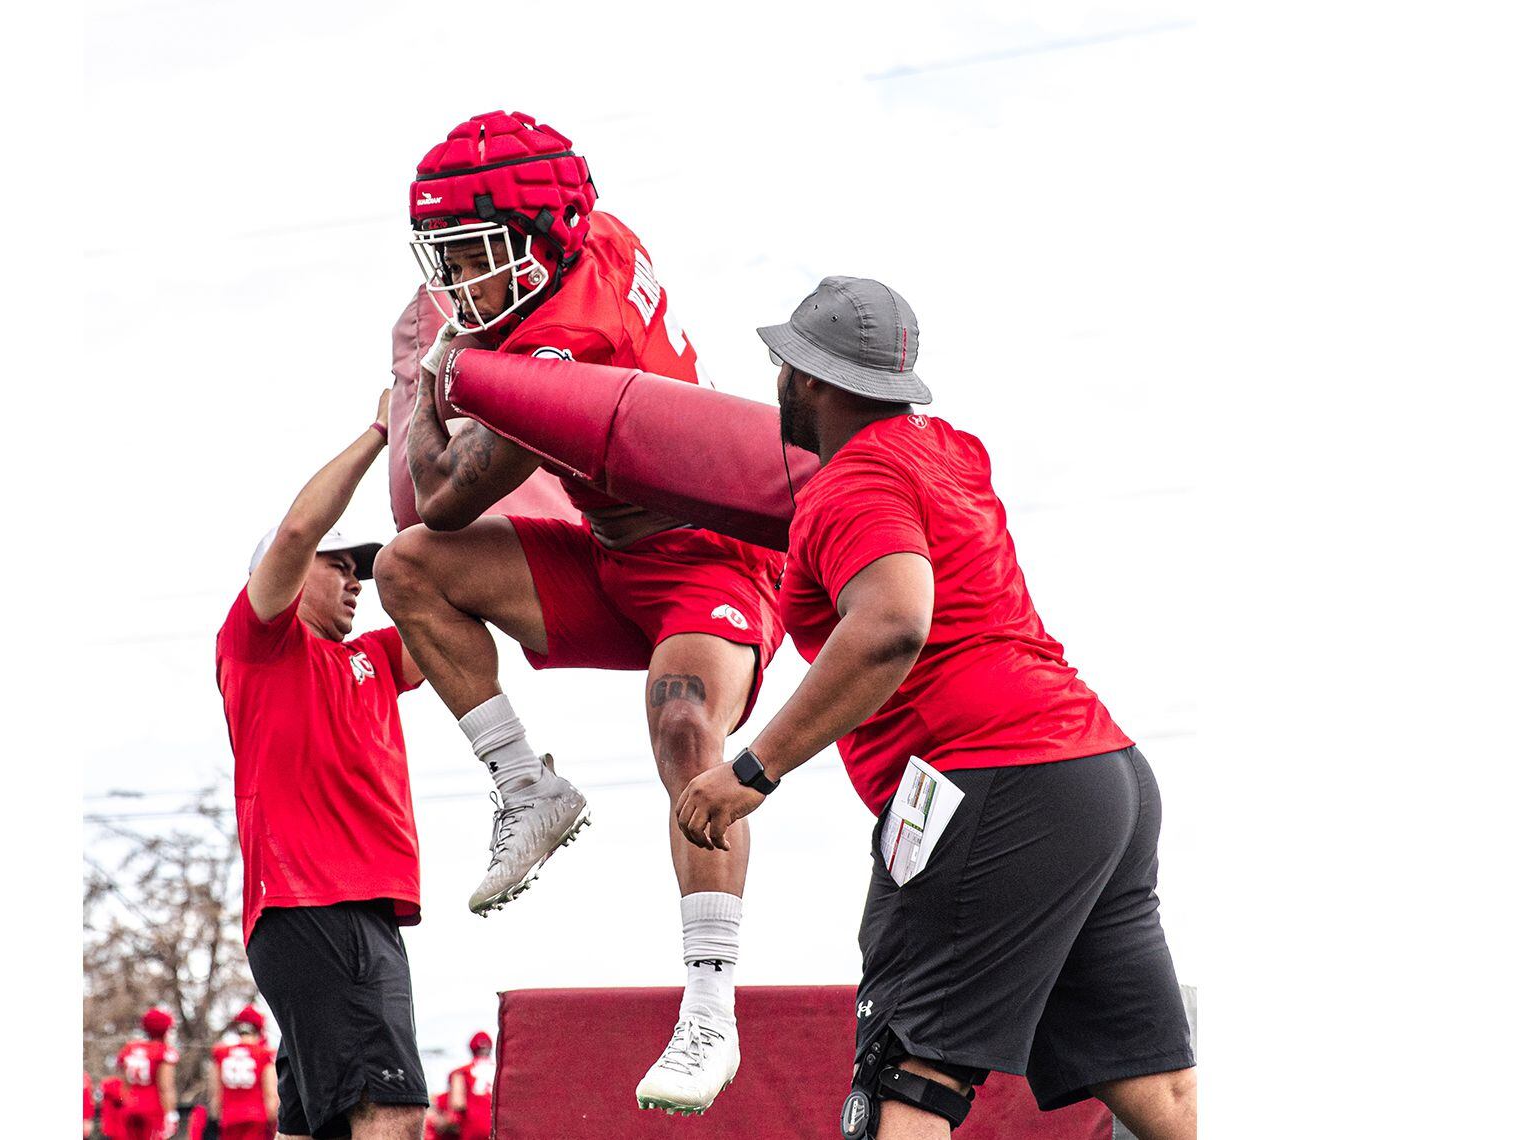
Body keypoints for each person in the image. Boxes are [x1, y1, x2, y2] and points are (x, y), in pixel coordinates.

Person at [675, 278, 1198, 1140]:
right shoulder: (950, 451)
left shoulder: (849, 486)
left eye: (782, 365)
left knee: (905, 1079)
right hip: (1102, 776)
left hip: (992, 784)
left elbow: (892, 622)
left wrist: (752, 769)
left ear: (810, 379)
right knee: (1156, 1087)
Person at [376, 109, 783, 1115]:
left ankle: (709, 1006)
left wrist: (422, 384)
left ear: (542, 240)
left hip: (706, 562)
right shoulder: (593, 236)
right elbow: (429, 533)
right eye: (449, 257)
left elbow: (443, 490)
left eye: (476, 256)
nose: (458, 286)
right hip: (611, 555)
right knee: (409, 570)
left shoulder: (559, 343)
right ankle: (529, 790)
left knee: (687, 727)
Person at [216, 387, 431, 1140]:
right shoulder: (260, 643)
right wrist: (384, 430)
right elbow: (301, 523)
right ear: (290, 570)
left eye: (356, 570)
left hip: (348, 913)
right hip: (319, 908)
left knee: (314, 1128)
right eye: (337, 565)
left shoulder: (370, 658)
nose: (354, 582)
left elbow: (453, 604)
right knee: (392, 1115)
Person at [209, 1004, 278, 1140]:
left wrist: (215, 1116)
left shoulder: (221, 1052)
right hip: (256, 1117)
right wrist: (273, 1121)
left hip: (229, 1117)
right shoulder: (264, 1054)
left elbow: (215, 1091)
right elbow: (270, 1093)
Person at [115, 1007, 180, 1140]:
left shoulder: (129, 1048)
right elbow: (165, 1087)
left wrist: (125, 1104)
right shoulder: (163, 1051)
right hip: (153, 1109)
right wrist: (170, 1114)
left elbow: (124, 1086)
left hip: (130, 1108)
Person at [442, 1031, 494, 1140]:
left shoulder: (460, 1072)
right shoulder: (501, 1072)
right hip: (497, 1127)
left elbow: (458, 1103)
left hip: (474, 1129)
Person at [98, 1075, 128, 1140]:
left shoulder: (106, 1092)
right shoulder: (116, 1090)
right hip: (116, 1128)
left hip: (108, 1127)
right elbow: (121, 1098)